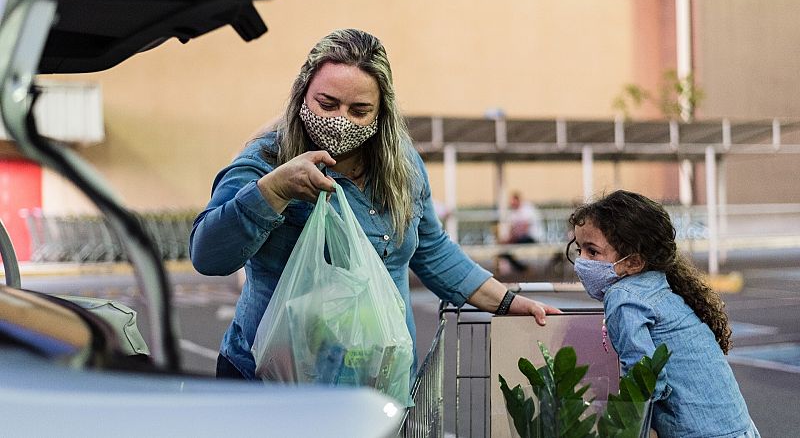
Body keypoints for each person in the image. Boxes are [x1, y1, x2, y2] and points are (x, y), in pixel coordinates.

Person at [189, 29, 560, 381]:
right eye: (327, 103)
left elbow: (431, 250)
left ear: (381, 112)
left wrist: (507, 301)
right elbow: (208, 255)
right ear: (302, 95)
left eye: (359, 110)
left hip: (375, 381)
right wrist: (274, 191)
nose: (340, 121)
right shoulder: (264, 162)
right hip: (273, 381)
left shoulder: (403, 166)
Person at [567, 190, 759, 438]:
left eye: (592, 252)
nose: (582, 260)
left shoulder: (623, 296)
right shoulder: (659, 285)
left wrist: (630, 428)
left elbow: (645, 378)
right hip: (735, 427)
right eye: (579, 249)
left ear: (633, 262)